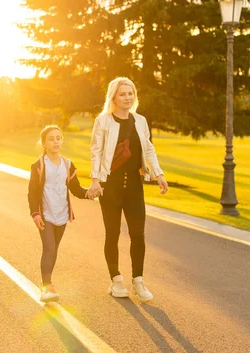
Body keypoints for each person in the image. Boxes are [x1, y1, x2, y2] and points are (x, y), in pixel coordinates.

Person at [87, 77, 168, 303]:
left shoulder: (140, 121)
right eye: (122, 94)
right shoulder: (103, 121)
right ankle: (116, 280)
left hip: (134, 184)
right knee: (112, 234)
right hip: (110, 184)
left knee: (138, 234)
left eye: (130, 93)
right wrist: (95, 180)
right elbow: (96, 151)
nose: (127, 97)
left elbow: (149, 148)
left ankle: (138, 281)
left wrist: (158, 173)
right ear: (113, 97)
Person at [28, 125, 91, 302]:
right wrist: (36, 214)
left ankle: (45, 281)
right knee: (48, 248)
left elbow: (76, 189)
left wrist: (90, 193)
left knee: (54, 250)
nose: (55, 141)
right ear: (43, 144)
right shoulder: (39, 165)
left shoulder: (68, 164)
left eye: (58, 138)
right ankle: (47, 286)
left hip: (62, 215)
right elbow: (32, 193)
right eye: (51, 139)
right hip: (45, 214)